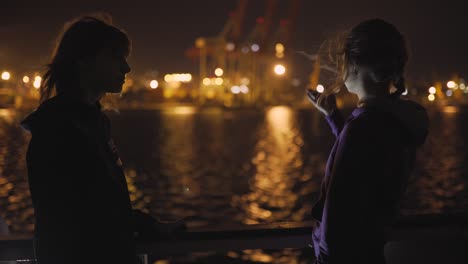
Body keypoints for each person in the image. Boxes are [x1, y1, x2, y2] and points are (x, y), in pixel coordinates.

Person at [21, 16, 183, 264]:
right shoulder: (60, 130)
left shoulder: (90, 122)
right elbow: (80, 220)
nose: (126, 68)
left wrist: (147, 225)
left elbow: (100, 206)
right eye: (116, 57)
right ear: (84, 62)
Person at [307, 19, 429, 264]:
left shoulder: (362, 127)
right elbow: (365, 163)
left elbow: (337, 212)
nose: (341, 69)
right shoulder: (394, 120)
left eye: (345, 61)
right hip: (369, 250)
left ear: (360, 67)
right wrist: (333, 117)